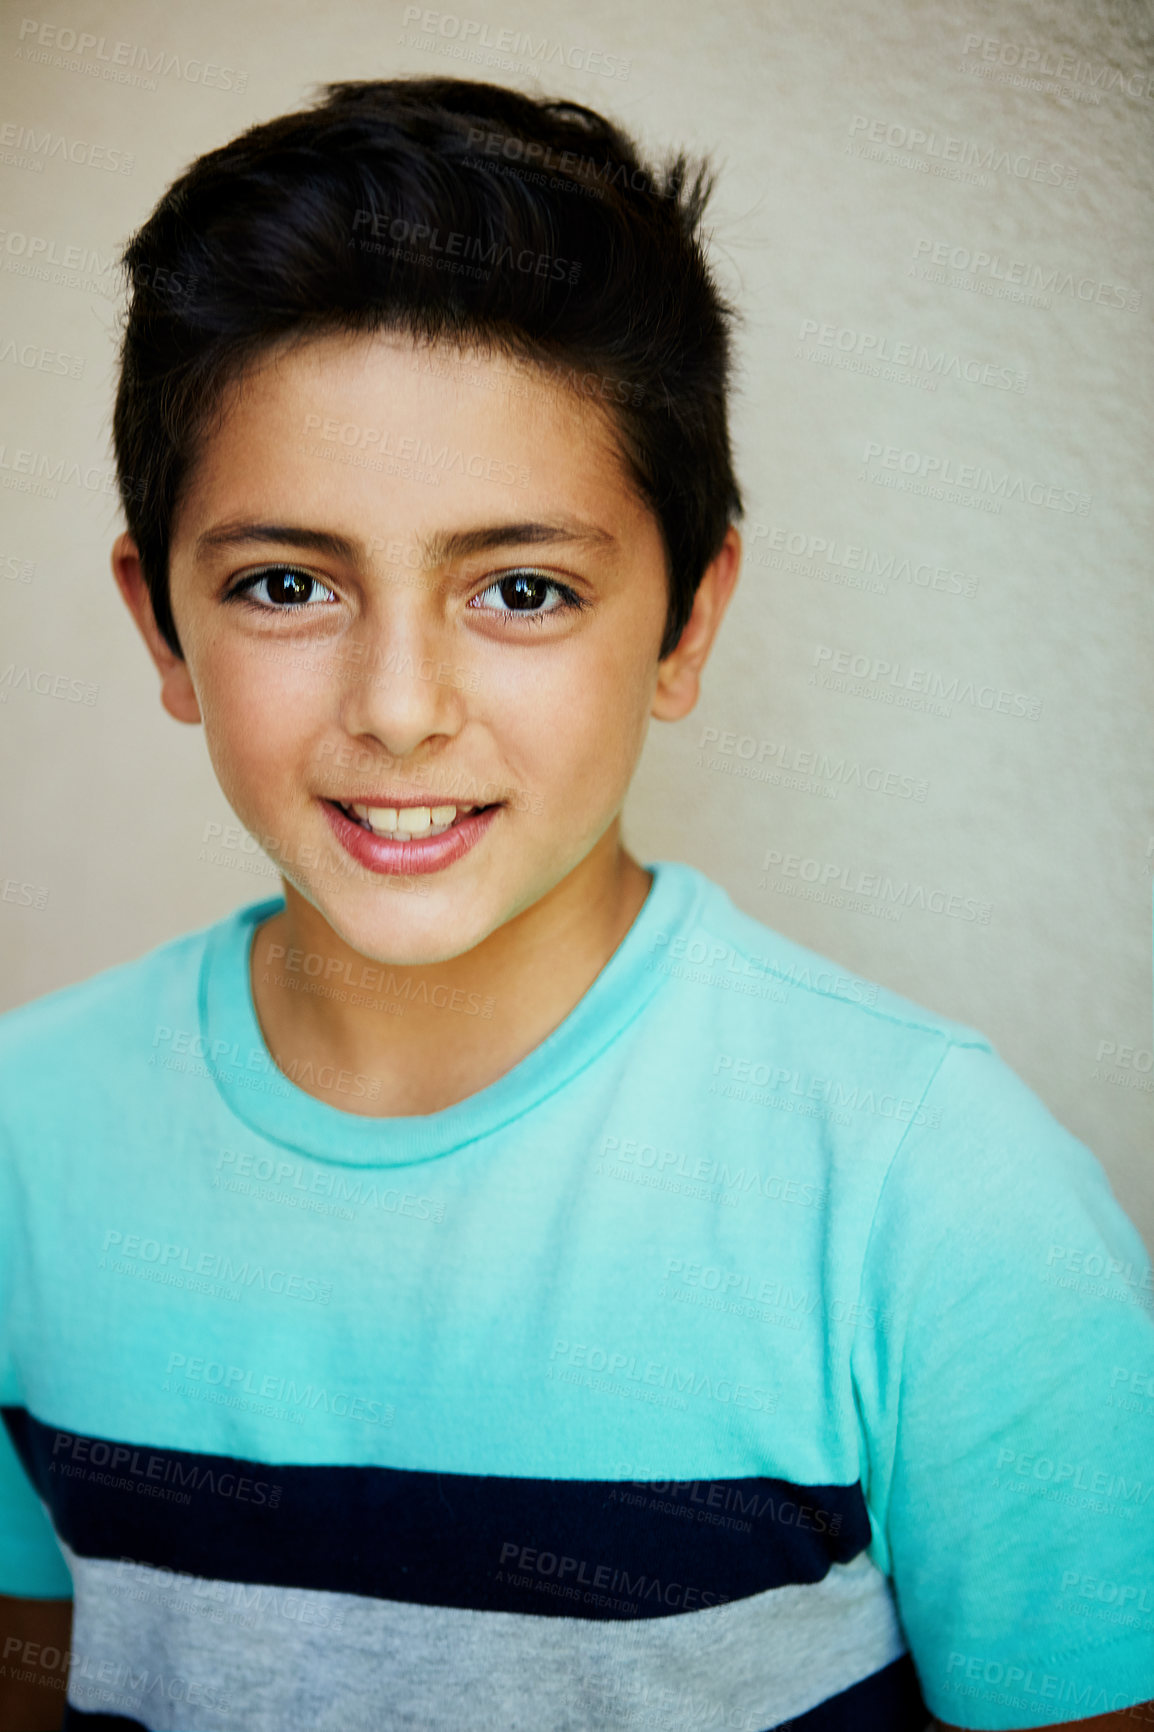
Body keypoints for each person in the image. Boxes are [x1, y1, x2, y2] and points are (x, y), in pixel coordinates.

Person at [0, 76, 1151, 1732]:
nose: (400, 704)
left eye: (522, 589)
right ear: (162, 628)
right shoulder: (28, 1144)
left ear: (686, 622)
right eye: (285, 585)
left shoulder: (930, 1197)